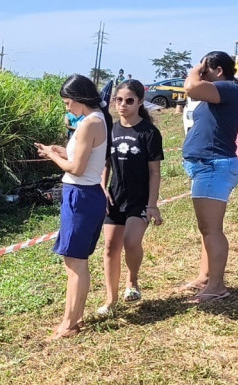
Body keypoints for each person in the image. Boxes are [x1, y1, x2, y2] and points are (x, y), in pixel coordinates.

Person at [35, 74, 111, 339]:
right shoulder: (96, 120)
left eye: (68, 102)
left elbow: (76, 169)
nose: (67, 108)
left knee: (75, 264)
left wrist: (55, 157)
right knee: (77, 262)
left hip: (80, 195)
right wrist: (57, 150)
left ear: (80, 98)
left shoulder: (90, 123)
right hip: (85, 195)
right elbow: (83, 157)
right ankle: (73, 318)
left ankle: (70, 324)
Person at [180, 51, 238, 303]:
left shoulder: (228, 88)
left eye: (206, 71)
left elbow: (191, 87)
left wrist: (196, 69)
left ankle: (217, 285)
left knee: (212, 230)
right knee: (206, 229)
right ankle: (205, 276)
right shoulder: (221, 92)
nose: (202, 76)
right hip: (206, 165)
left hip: (214, 165)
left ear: (218, 71)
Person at [97, 80, 164, 316]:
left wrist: (152, 204)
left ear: (139, 102)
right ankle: (110, 300)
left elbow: (155, 172)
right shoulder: (111, 130)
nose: (123, 105)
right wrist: (102, 188)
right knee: (109, 249)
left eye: (129, 100)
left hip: (140, 199)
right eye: (119, 100)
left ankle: (132, 280)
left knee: (131, 242)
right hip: (115, 197)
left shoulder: (149, 132)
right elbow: (105, 163)